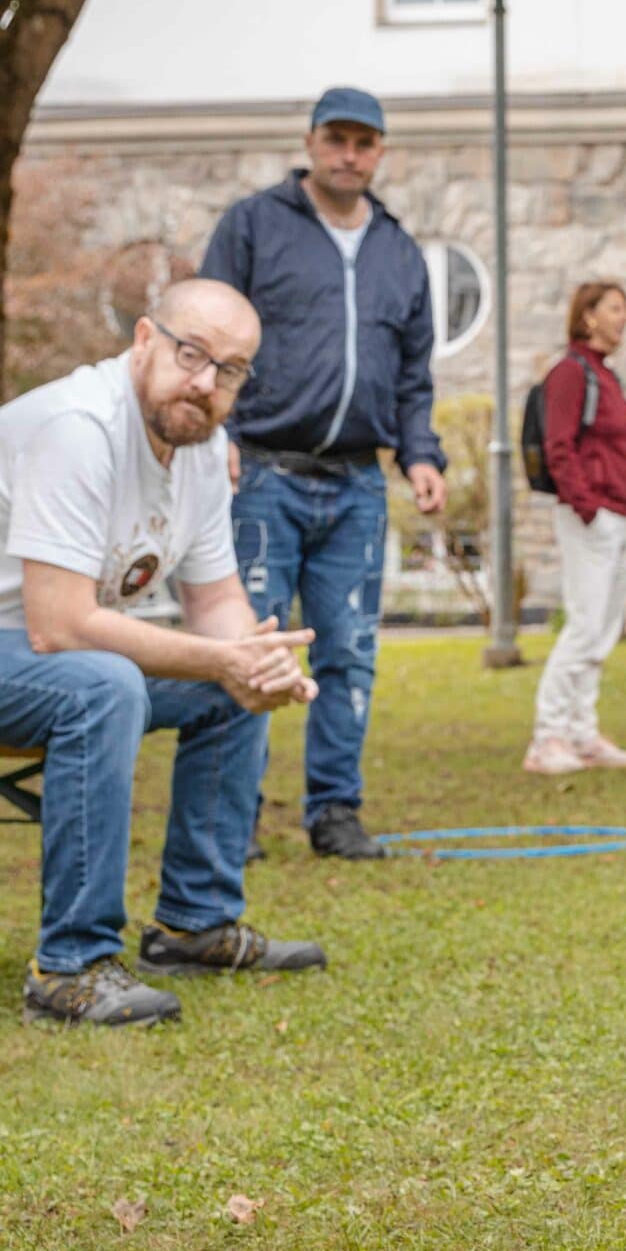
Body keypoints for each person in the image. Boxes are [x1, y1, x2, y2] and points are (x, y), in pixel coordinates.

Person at [0, 281, 328, 1028]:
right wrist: (222, 657)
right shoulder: (78, 426)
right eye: (191, 353)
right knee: (102, 685)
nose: (205, 381)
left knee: (226, 685)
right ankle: (71, 968)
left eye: (229, 370)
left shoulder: (201, 447)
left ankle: (195, 923)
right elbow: (60, 626)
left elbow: (217, 602)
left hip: (9, 652)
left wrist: (256, 659)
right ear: (144, 340)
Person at [198, 85, 447, 861]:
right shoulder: (253, 225)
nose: (350, 154)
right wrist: (220, 431)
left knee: (350, 651)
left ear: (380, 152)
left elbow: (413, 371)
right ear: (310, 142)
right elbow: (208, 330)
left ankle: (335, 810)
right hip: (263, 473)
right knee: (251, 648)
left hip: (357, 485)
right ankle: (232, 817)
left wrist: (421, 452)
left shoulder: (399, 249)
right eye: (336, 139)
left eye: (364, 142)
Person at [526, 281, 626, 774]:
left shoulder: (605, 375)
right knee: (583, 625)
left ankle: (582, 733)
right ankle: (548, 737)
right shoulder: (570, 374)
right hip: (591, 518)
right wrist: (586, 507)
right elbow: (560, 445)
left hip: (622, 515)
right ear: (589, 316)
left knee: (603, 628)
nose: (624, 318)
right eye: (615, 309)